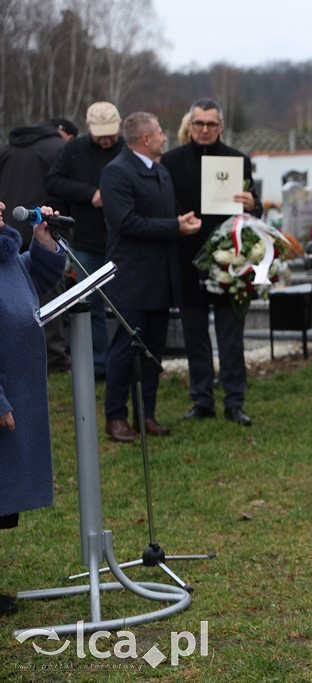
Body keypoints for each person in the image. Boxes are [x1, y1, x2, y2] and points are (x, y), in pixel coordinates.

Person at [100, 112, 202, 443]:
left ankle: (147, 414)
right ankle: (116, 418)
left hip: (161, 275)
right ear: (145, 138)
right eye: (160, 132)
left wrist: (180, 219)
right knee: (125, 348)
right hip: (131, 277)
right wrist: (175, 227)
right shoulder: (116, 173)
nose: (165, 137)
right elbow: (126, 223)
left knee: (151, 351)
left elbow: (162, 213)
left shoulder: (160, 171)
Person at [162, 98, 261, 427]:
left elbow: (252, 210)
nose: (204, 129)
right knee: (194, 335)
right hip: (188, 258)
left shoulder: (237, 160)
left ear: (221, 127)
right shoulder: (171, 161)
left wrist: (252, 203)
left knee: (231, 335)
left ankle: (235, 401)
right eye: (198, 123)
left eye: (211, 124)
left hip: (229, 261)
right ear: (189, 125)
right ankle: (202, 399)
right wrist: (178, 220)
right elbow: (165, 205)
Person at [0, 203, 66, 616]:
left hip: (18, 393)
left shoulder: (6, 254)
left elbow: (35, 281)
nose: (3, 206)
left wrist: (43, 243)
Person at [44, 101, 125, 380]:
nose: (105, 139)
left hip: (124, 240)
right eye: (100, 133)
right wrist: (91, 194)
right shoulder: (74, 149)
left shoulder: (127, 150)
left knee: (127, 305)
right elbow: (53, 182)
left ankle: (125, 363)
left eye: (110, 133)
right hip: (88, 240)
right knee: (92, 308)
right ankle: (98, 367)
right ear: (88, 128)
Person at [0, 119, 71, 372]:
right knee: (46, 293)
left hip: (9, 230)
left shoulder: (8, 149)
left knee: (16, 297)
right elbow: (64, 187)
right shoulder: (58, 148)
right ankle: (54, 355)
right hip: (36, 223)